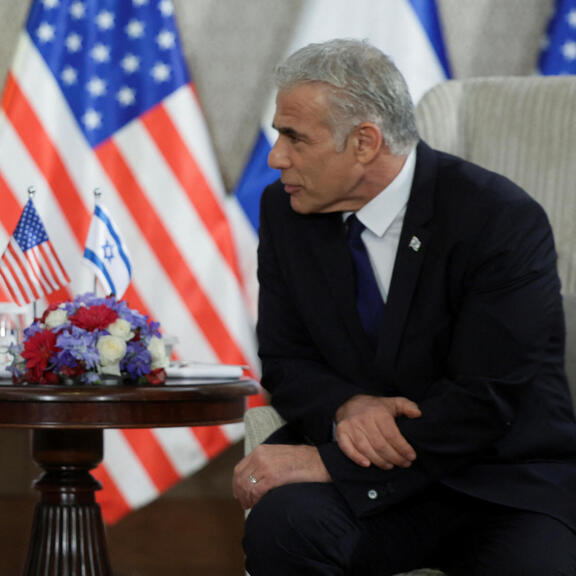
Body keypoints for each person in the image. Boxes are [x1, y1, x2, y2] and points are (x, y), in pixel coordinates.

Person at [234, 39, 576, 575]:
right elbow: (284, 357)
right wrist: (349, 406)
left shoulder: (497, 218)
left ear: (365, 143)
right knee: (284, 525)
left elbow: (489, 396)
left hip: (498, 483)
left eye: (294, 137)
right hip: (373, 499)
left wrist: (329, 461)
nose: (276, 157)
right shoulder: (286, 208)